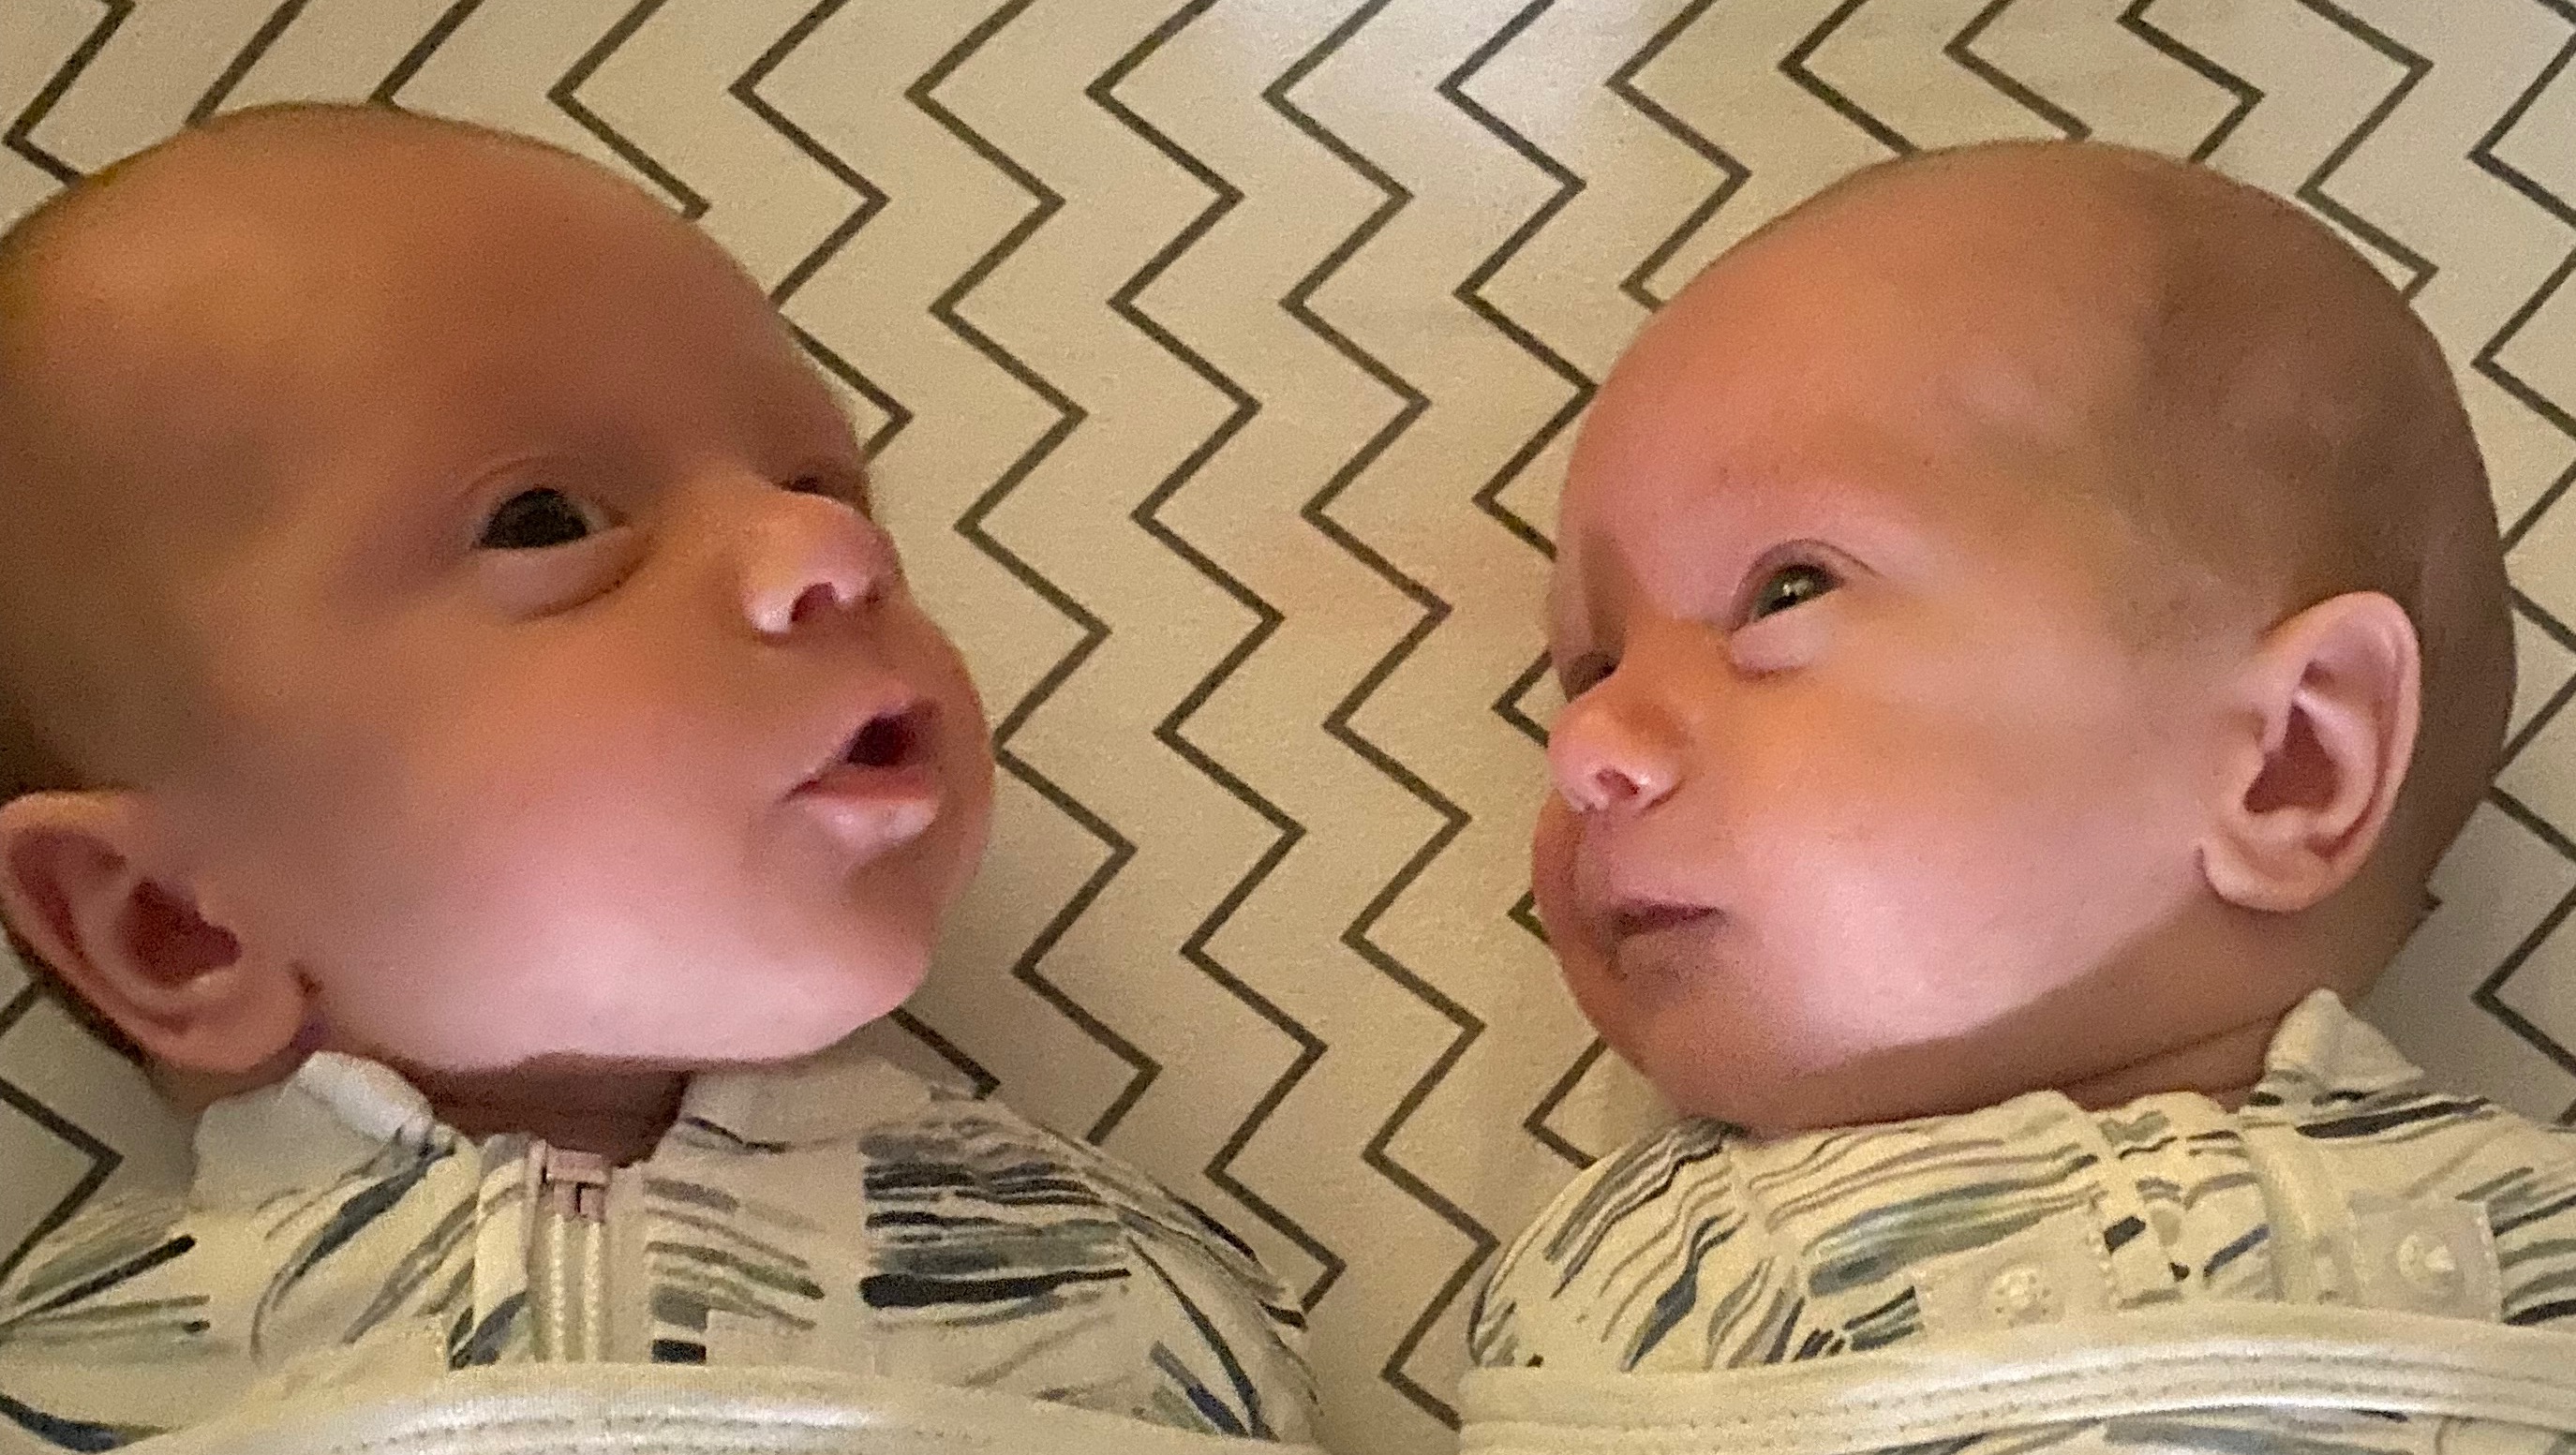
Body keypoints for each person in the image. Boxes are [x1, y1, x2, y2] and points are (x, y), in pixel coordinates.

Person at [0, 102, 1314, 1450]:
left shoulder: (1137, 1295)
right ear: (174, 924)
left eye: (825, 486)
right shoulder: (71, 1374)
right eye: (546, 521)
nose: (833, 547)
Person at [1465, 141, 2576, 1454]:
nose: (1584, 739)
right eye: (1592, 665)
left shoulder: (2532, 1227)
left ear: (2289, 761)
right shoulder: (1625, 1274)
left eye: (1783, 592)